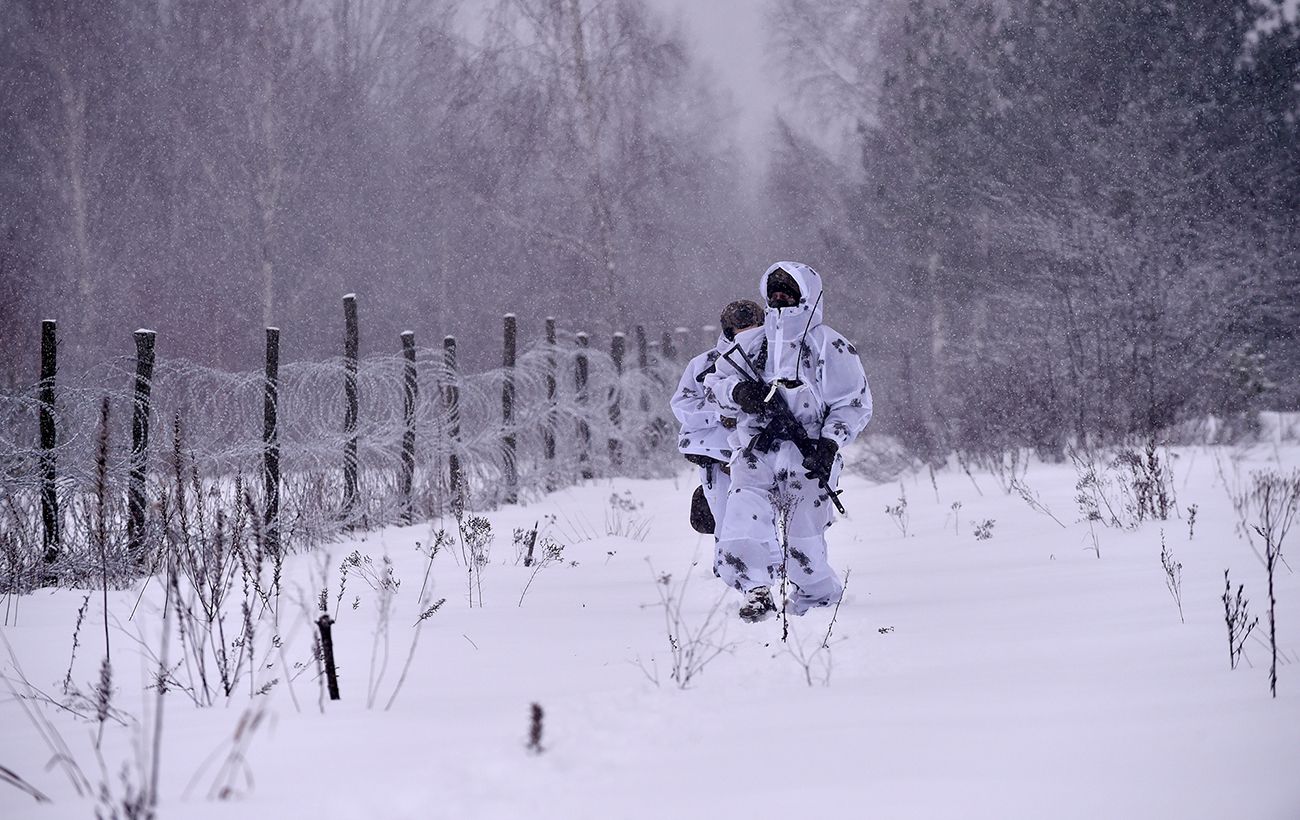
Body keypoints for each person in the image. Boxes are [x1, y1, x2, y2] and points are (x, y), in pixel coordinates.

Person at [704, 262, 872, 622]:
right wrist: (739, 391)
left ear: (806, 296)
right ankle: (756, 591)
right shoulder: (751, 344)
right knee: (743, 517)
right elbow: (714, 385)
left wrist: (829, 444)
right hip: (755, 451)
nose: (780, 298)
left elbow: (853, 403)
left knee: (803, 538)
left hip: (807, 453)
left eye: (789, 292)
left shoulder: (829, 345)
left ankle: (818, 603)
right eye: (775, 292)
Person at [670, 299, 765, 539]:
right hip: (717, 457)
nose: (746, 332)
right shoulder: (704, 364)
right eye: (739, 327)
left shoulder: (773, 361)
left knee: (765, 527)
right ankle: (723, 572)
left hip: (764, 456)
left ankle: (775, 573)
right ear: (728, 329)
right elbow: (682, 405)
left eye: (752, 326)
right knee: (725, 528)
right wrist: (719, 414)